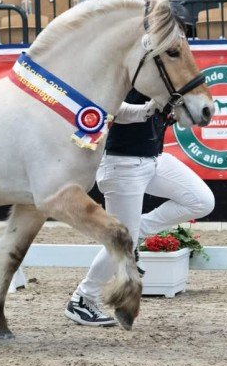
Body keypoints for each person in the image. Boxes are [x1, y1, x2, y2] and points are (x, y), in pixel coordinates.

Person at [65, 89, 215, 327]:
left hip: (155, 158)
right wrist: (149, 109)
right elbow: (115, 110)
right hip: (122, 163)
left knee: (201, 201)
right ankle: (83, 298)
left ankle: (136, 231)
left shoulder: (166, 78)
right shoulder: (132, 72)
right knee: (122, 241)